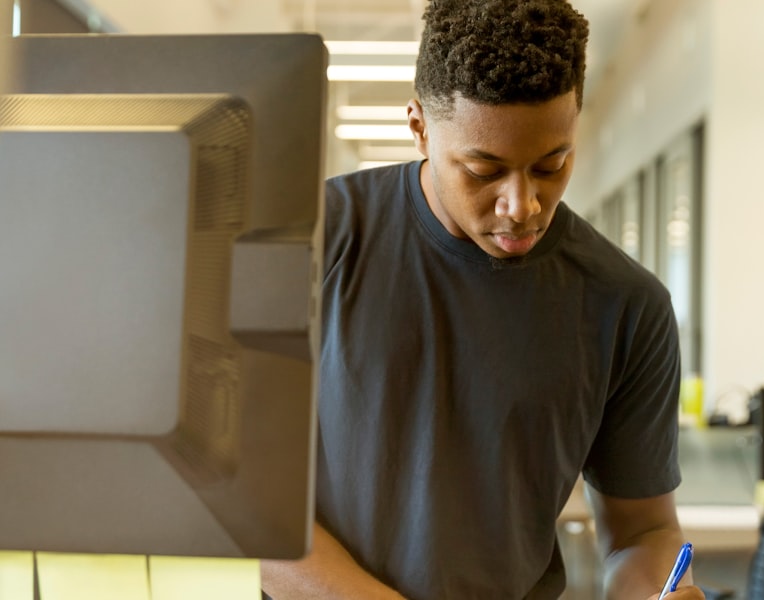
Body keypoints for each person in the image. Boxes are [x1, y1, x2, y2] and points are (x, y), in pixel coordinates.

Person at [262, 0, 706, 598]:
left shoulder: (627, 305)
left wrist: (658, 588)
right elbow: (237, 497)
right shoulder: (311, 240)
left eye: (551, 165)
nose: (521, 206)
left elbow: (643, 530)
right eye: (483, 170)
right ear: (419, 126)